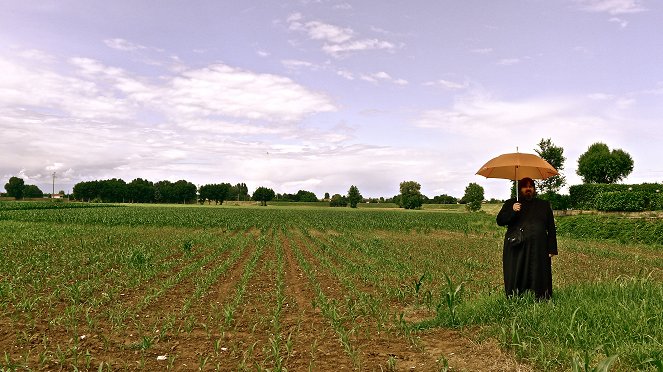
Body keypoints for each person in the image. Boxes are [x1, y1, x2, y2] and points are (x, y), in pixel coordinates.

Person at [496, 177, 558, 300]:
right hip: (517, 246)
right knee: (517, 271)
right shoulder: (511, 203)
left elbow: (551, 227)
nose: (528, 189)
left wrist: (552, 248)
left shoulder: (544, 205)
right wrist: (513, 211)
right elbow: (500, 221)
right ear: (520, 189)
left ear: (534, 189)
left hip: (539, 246)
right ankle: (515, 297)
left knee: (539, 271)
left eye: (531, 186)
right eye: (525, 186)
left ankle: (542, 297)